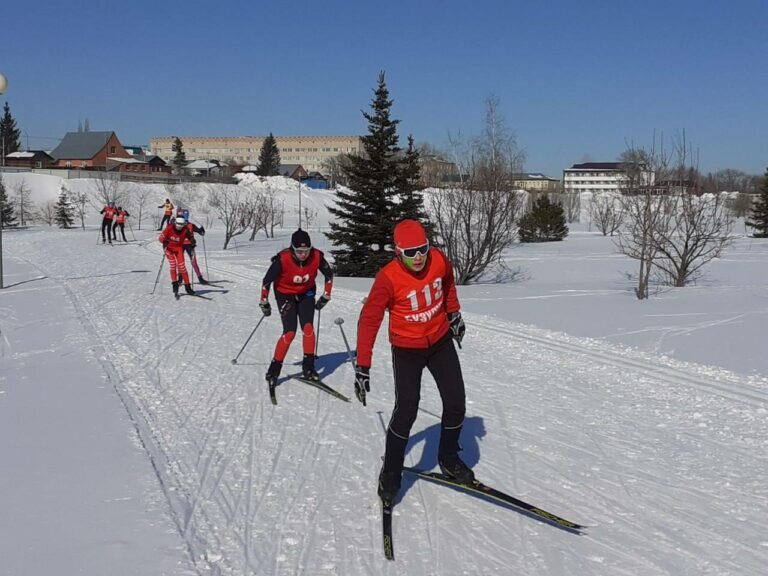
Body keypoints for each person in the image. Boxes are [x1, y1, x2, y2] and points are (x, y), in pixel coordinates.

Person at [354, 219, 470, 504]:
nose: (418, 257)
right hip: (406, 349)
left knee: (456, 403)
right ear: (397, 252)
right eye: (410, 252)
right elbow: (369, 320)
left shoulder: (439, 261)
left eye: (422, 249)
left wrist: (453, 313)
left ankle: (448, 457)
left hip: (440, 341)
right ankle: (391, 472)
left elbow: (448, 284)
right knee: (407, 410)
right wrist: (363, 365)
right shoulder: (388, 278)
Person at [260, 229, 334, 386]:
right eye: (299, 251)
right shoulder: (283, 259)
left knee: (308, 328)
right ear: (292, 248)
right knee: (290, 332)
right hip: (285, 296)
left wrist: (326, 295)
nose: (303, 255)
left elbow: (329, 274)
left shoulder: (316, 256)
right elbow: (266, 281)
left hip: (306, 294)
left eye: (306, 251)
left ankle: (309, 367)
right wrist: (264, 301)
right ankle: (274, 369)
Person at [159, 216, 196, 297]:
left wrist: (192, 241)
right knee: (173, 265)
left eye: (181, 225)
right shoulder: (169, 228)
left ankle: (188, 287)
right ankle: (175, 284)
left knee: (182, 267)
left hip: (178, 248)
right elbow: (160, 238)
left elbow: (190, 237)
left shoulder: (185, 230)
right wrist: (164, 240)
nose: (179, 226)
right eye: (178, 224)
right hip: (168, 248)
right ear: (175, 223)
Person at [179, 210, 208, 284]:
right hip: (182, 245)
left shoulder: (190, 225)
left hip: (188, 245)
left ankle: (199, 278)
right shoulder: (182, 225)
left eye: (186, 216)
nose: (186, 217)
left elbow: (201, 233)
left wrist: (202, 230)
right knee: (184, 262)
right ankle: (180, 278)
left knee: (190, 262)